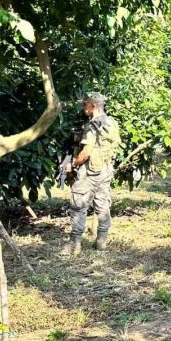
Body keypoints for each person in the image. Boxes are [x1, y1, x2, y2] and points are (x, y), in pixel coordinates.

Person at [61, 92, 121, 256]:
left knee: (78, 204)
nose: (83, 107)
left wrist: (73, 163)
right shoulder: (112, 123)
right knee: (102, 203)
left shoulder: (93, 125)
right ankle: (101, 241)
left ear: (93, 105)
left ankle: (75, 244)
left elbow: (86, 152)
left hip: (90, 170)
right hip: (106, 168)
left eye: (85, 104)